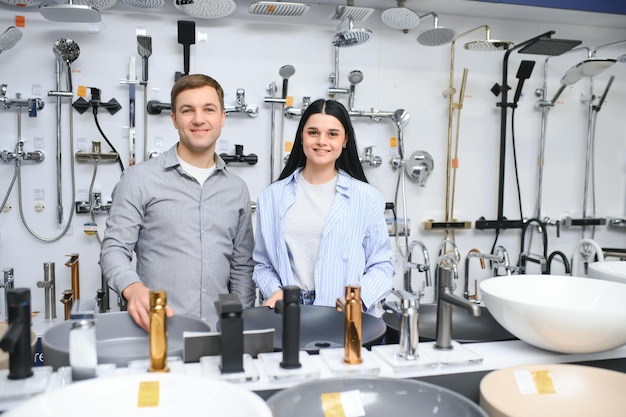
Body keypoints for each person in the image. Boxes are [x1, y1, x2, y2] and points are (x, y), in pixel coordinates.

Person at [100, 74, 256, 331]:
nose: (198, 119)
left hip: (220, 335)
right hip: (158, 331)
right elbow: (114, 249)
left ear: (222, 117)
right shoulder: (139, 179)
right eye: (187, 110)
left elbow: (242, 268)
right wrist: (133, 288)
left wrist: (242, 326)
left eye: (208, 109)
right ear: (174, 119)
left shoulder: (236, 189)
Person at [253, 98, 394, 313]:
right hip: (288, 311)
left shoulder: (367, 197)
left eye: (332, 134)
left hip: (345, 313)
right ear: (301, 136)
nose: (322, 141)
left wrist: (358, 299)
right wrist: (274, 290)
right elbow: (262, 264)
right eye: (313, 132)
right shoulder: (271, 196)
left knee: (344, 349)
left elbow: (382, 265)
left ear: (345, 139)